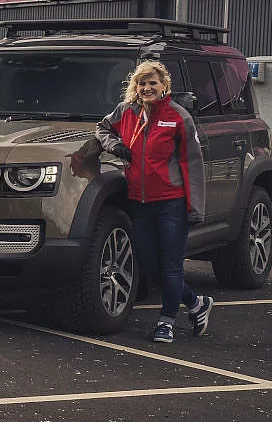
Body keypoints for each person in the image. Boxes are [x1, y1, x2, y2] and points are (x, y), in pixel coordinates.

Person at [95, 60, 214, 344]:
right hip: (139, 201)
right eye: (142, 83)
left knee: (171, 264)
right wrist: (114, 145)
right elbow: (101, 129)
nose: (147, 88)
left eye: (153, 83)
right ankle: (196, 304)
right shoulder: (126, 112)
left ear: (164, 86)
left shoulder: (177, 116)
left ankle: (167, 321)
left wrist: (195, 207)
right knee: (149, 265)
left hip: (171, 202)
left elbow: (192, 163)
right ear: (136, 87)